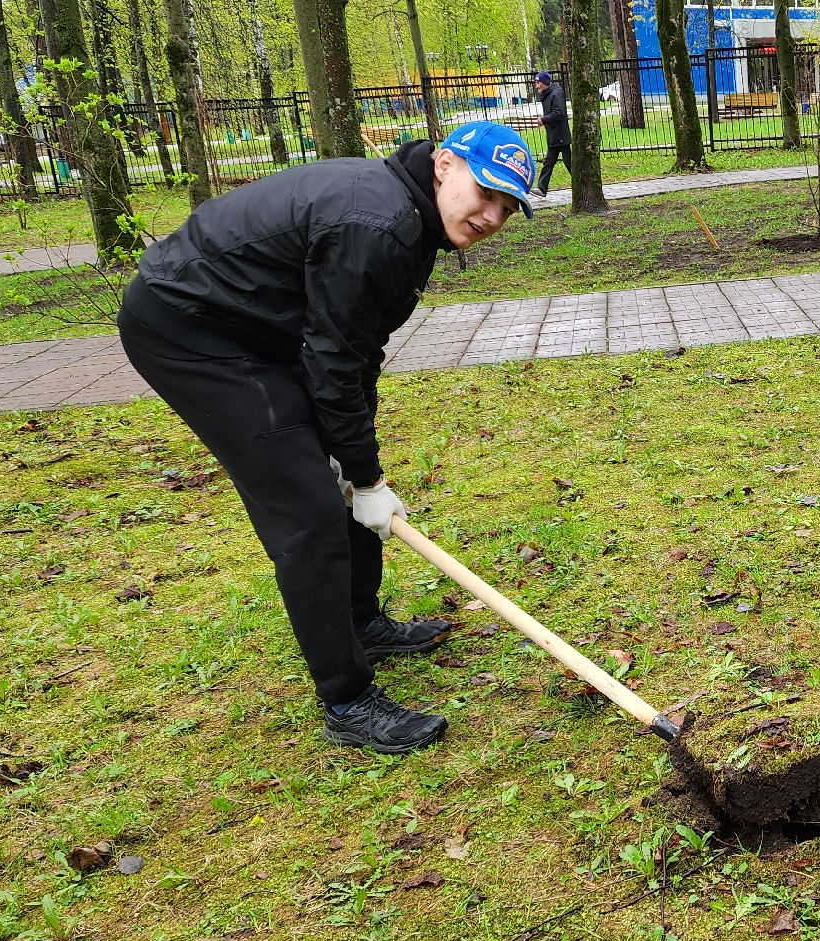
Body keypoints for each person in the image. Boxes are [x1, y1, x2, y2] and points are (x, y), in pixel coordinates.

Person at [116, 122, 535, 754]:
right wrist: (362, 476)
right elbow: (334, 360)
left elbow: (358, 348)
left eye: (507, 207)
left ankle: (361, 622)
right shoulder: (378, 224)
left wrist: (358, 462)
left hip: (258, 326)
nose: (492, 217)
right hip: (189, 327)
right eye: (486, 193)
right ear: (445, 165)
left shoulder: (413, 221)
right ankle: (347, 700)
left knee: (340, 471)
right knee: (308, 507)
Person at [533, 71, 571, 196]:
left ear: (544, 82)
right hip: (554, 134)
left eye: (538, 82)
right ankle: (542, 189)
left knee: (569, 163)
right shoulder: (548, 94)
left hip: (560, 134)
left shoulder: (555, 94)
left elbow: (558, 113)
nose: (536, 85)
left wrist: (543, 119)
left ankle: (583, 186)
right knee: (548, 162)